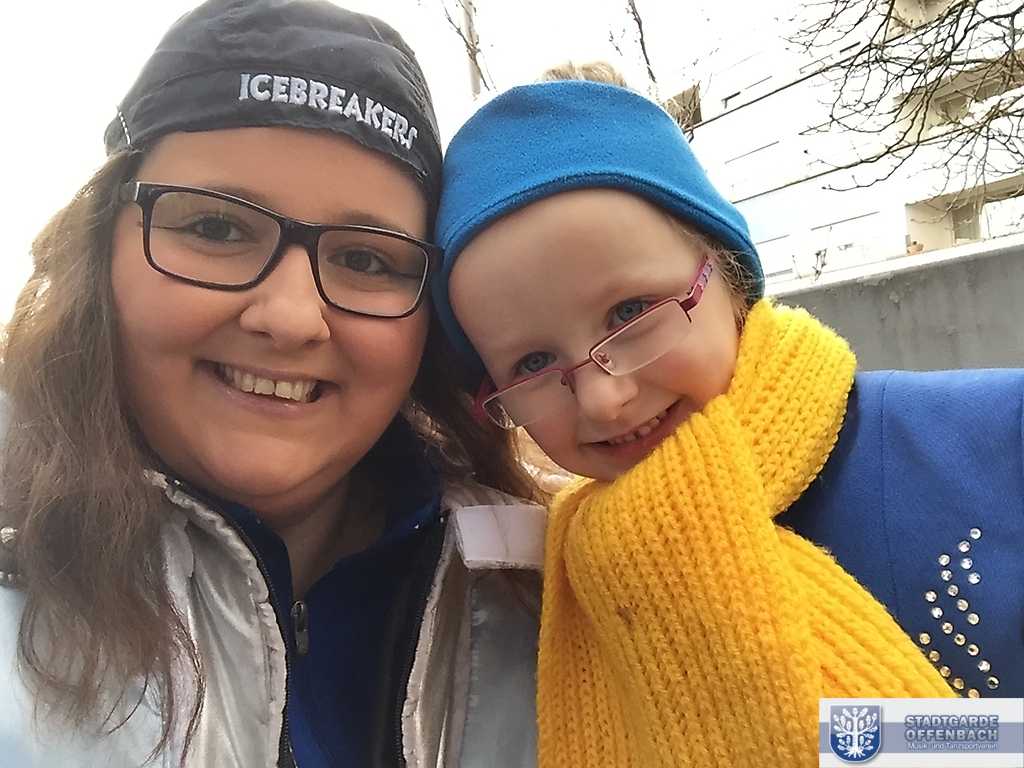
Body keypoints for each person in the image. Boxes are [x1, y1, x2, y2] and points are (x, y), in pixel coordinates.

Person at [0, 1, 546, 766]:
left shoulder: (546, 597)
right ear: (99, 254)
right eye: (216, 228)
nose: (291, 318)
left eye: (366, 259)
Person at [431, 69, 1024, 766]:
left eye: (630, 313)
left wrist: (872, 740)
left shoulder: (997, 437)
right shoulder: (556, 585)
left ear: (729, 272)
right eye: (532, 364)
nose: (602, 399)